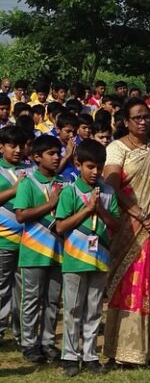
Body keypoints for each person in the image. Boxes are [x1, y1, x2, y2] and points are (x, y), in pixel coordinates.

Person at [102, 97, 150, 367]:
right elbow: (111, 183)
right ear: (126, 122)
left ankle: (143, 351)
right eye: (138, 118)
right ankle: (118, 350)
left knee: (148, 285)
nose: (144, 122)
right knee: (126, 285)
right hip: (128, 227)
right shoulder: (116, 148)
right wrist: (136, 212)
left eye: (147, 116)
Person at [55, 139, 120, 375]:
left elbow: (116, 224)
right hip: (74, 260)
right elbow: (61, 227)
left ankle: (90, 354)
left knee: (94, 310)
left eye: (99, 167)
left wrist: (100, 209)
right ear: (78, 164)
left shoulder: (108, 192)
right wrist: (87, 210)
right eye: (90, 167)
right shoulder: (70, 191)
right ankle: (70, 356)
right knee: (73, 309)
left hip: (99, 258)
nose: (95, 172)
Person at [14, 134, 64, 363]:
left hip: (58, 252)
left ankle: (47, 341)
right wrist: (50, 204)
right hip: (33, 251)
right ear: (36, 157)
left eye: (59, 153)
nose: (56, 157)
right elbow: (21, 214)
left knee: (52, 300)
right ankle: (29, 344)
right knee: (31, 299)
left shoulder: (64, 183)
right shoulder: (28, 183)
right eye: (51, 154)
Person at [0, 126, 29, 347]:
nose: (18, 150)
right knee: (1, 287)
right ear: (2, 147)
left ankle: (22, 334)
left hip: (28, 241)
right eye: (12, 146)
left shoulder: (29, 169)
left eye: (21, 146)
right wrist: (14, 190)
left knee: (24, 289)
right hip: (2, 240)